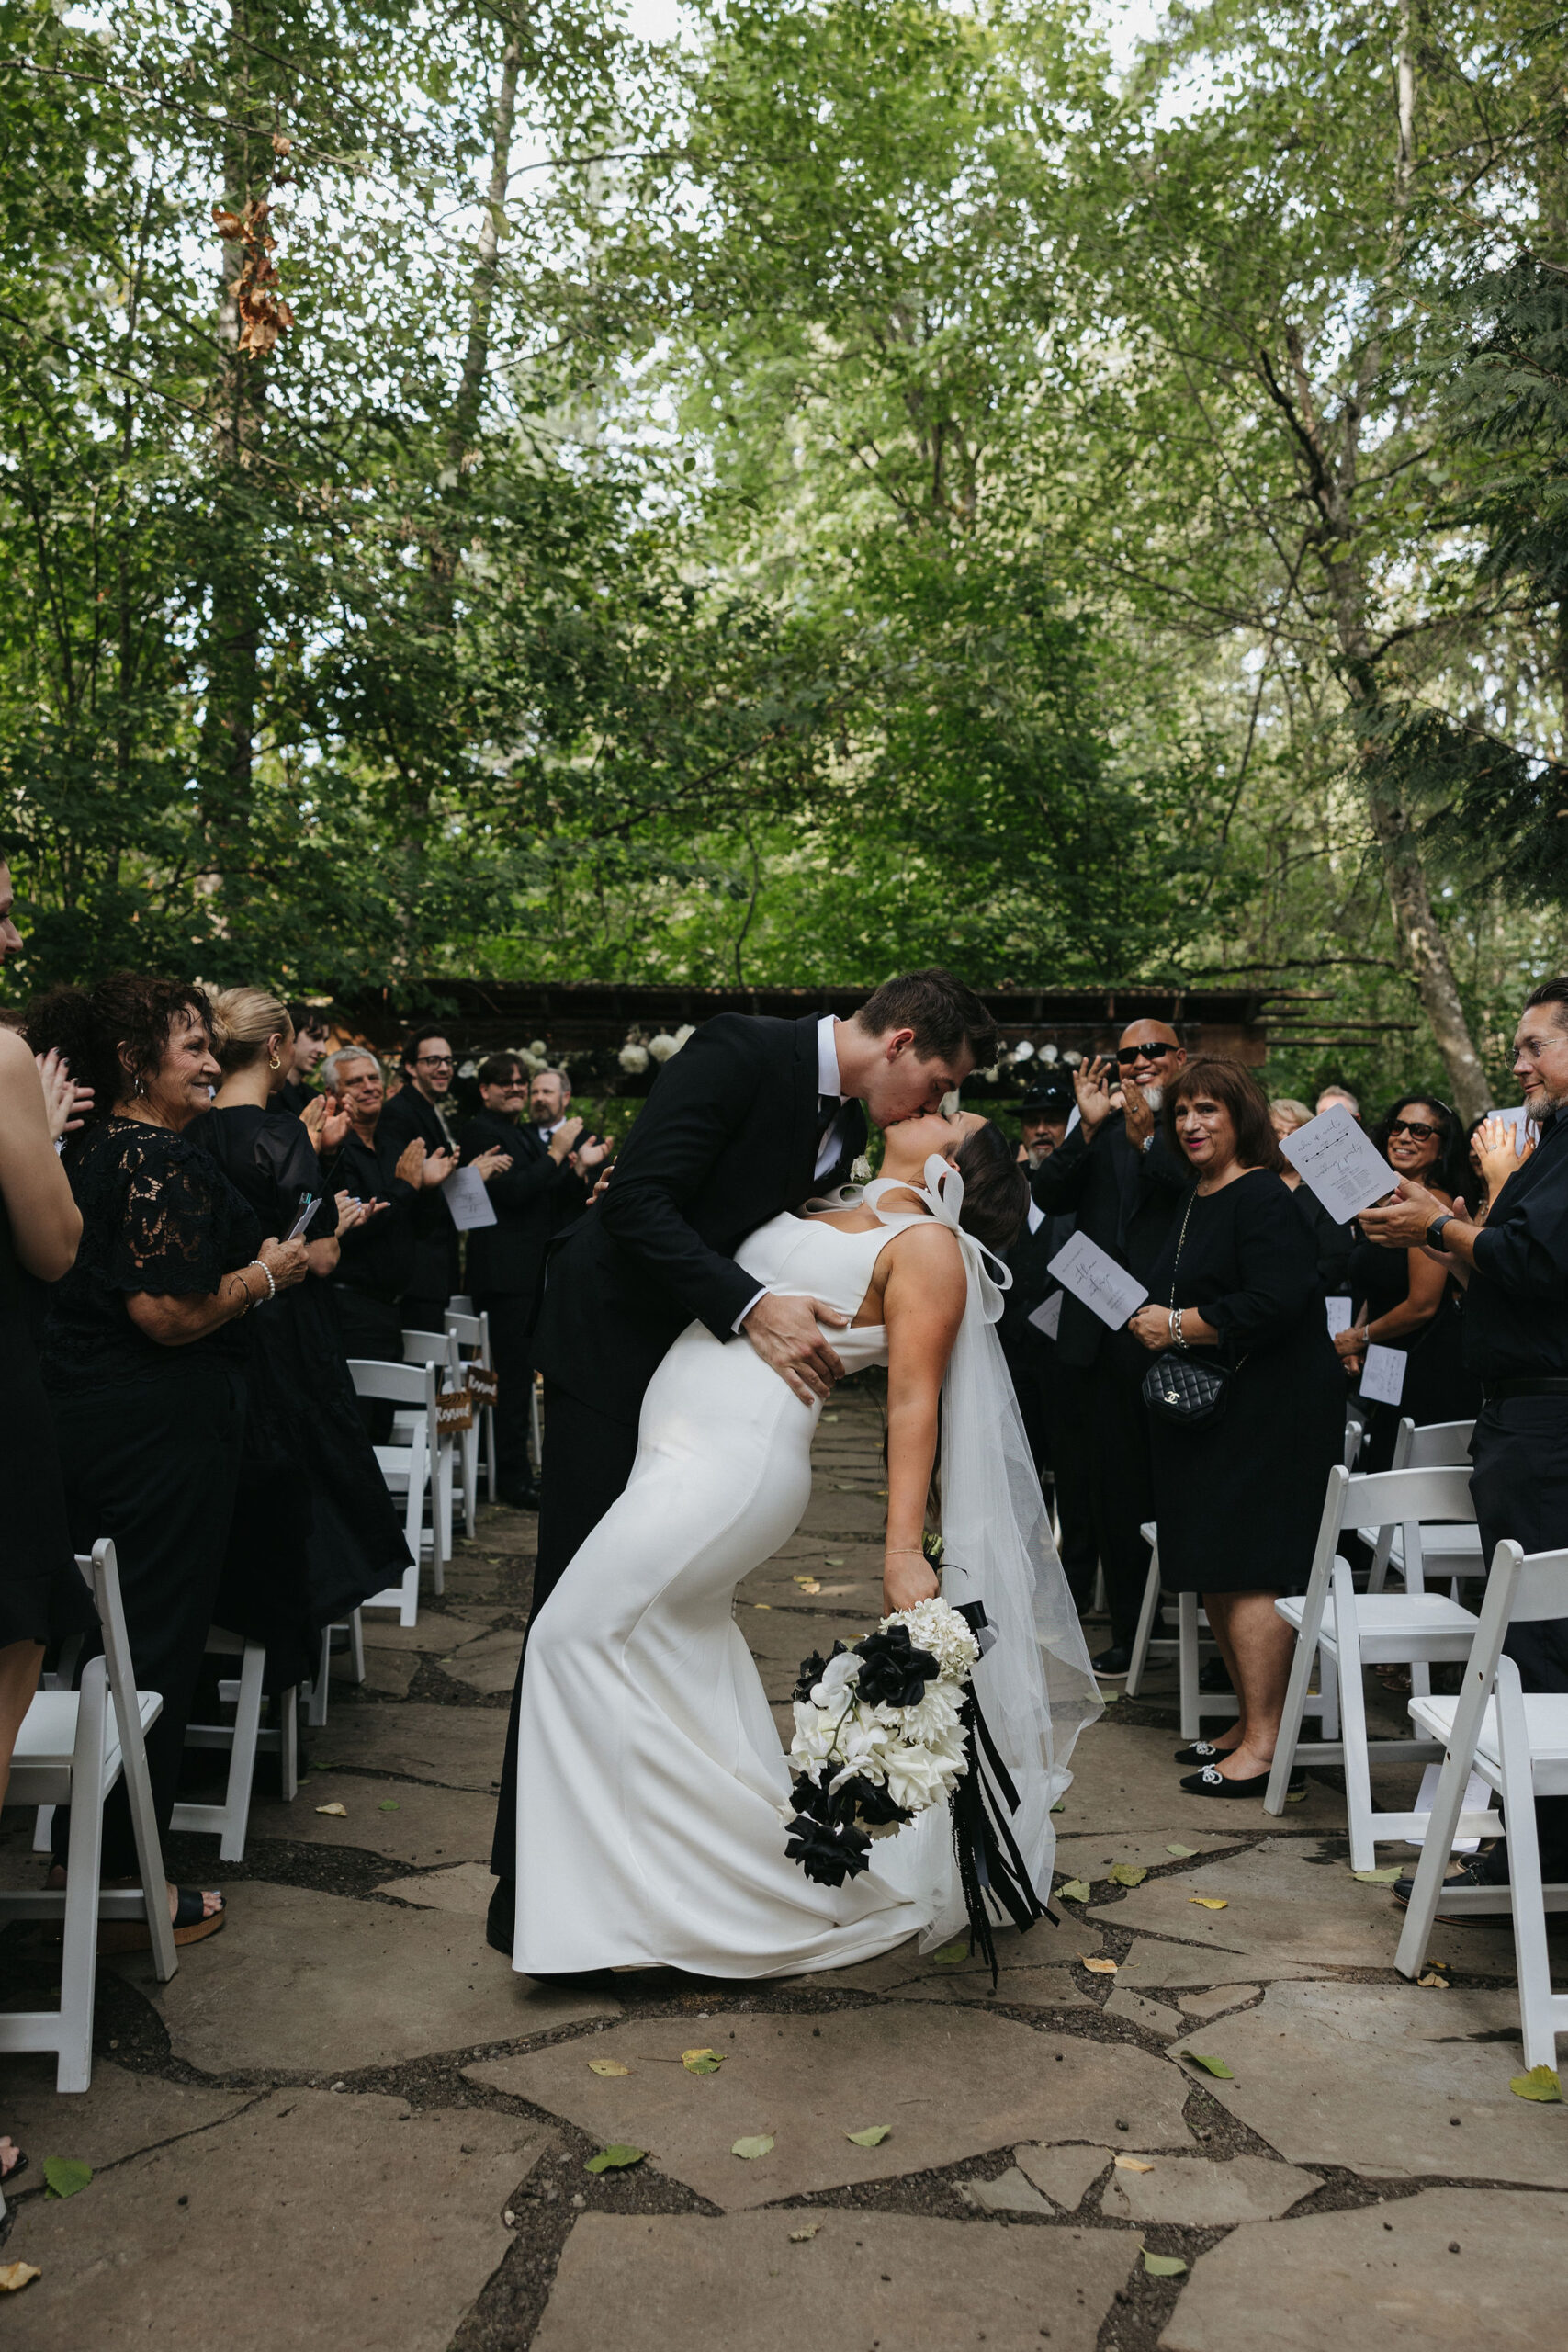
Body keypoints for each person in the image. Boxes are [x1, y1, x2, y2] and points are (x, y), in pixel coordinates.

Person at [512, 1107, 1100, 1976]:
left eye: (947, 1108)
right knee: (676, 1662)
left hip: (731, 1469)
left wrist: (903, 1549)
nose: (928, 1100)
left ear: (951, 1161)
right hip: (675, 1447)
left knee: (569, 1638)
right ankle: (675, 1891)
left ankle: (643, 1911)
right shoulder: (829, 1200)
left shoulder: (930, 1248)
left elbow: (914, 1402)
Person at [486, 967, 998, 1955]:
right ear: (898, 1043)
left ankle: (637, 1887)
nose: (938, 1106)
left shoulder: (845, 1131)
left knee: (634, 1634)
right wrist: (748, 1302)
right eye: (937, 1085)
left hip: (709, 1408)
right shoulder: (738, 1049)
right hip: (612, 1357)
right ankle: (540, 1888)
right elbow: (638, 1204)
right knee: (578, 1617)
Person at [28, 975, 310, 1944]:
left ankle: (78, 1855)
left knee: (96, 1641)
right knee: (148, 1643)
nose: (206, 1058)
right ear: (131, 1065)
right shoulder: (156, 1159)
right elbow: (168, 1311)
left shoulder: (76, 1147)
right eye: (188, 1044)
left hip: (78, 1421)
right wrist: (266, 1274)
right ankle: (102, 1881)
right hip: (156, 1437)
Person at [1360, 983, 1568, 1911]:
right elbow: (1511, 1272)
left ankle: (1543, 1861)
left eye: (1532, 1046)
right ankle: (1537, 1850)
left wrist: (1439, 1225)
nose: (1517, 1064)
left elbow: (1535, 1267)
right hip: (1523, 1418)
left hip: (1546, 1428)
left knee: (1539, 1645)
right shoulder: (1551, 1147)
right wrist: (1433, 1229)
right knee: (1535, 1639)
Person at [1127, 1058, 1342, 1794]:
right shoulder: (1198, 1195)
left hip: (1268, 1412)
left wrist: (1179, 1325)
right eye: (1181, 1111)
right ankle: (1246, 1722)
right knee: (1217, 1563)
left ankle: (1265, 1744)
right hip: (1210, 1414)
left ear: (1240, 1117)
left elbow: (1279, 1301)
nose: (1190, 1124)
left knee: (1250, 1567)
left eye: (1207, 1110)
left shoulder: (1259, 1195)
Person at [190, 991, 412, 1686]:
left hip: (205, 1330)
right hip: (283, 1337)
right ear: (280, 1048)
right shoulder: (281, 1135)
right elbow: (317, 1257)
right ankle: (289, 1651)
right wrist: (333, 1210)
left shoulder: (186, 1125)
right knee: (305, 1484)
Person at [1028, 1019, 1192, 1675]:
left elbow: (1184, 1197)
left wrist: (1147, 1135)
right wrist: (1085, 1129)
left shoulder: (1198, 1123)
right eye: (1126, 1055)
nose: (1138, 1063)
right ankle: (1130, 1630)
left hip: (1173, 1333)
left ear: (1179, 1058)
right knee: (1111, 1494)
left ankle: (1200, 1633)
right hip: (1096, 1339)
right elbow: (1046, 1193)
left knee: (1173, 1489)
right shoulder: (1095, 1132)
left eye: (1152, 1051)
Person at [458, 1056, 606, 1509]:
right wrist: (558, 1152)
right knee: (511, 1382)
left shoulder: (518, 1132)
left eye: (521, 1081)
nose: (517, 1088)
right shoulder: (482, 1132)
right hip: (504, 1278)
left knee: (519, 1379)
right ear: (484, 1089)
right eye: (506, 1082)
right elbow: (514, 1193)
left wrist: (579, 1168)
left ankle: (519, 1471)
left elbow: (543, 1191)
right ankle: (513, 1479)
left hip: (526, 1275)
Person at [1333, 1094, 1480, 1463]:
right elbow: (1380, 1283)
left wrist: (1360, 1336)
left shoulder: (1434, 1203)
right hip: (1388, 1360)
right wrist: (1360, 1341)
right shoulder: (1384, 1202)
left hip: (1427, 1367)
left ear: (1443, 1148)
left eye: (1419, 1131)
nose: (1402, 1137)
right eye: (1396, 1127)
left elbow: (1422, 1305)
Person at [1000, 1080, 1094, 1605]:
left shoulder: (1085, 1190)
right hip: (1012, 1360)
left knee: (1076, 1476)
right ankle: (1017, 1581)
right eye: (1033, 1120)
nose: (1042, 1129)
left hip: (1071, 1360)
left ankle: (1075, 1589)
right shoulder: (1005, 1186)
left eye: (1053, 1119)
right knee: (1017, 1473)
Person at [311, 1047, 432, 1433]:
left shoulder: (394, 1141)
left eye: (373, 1078)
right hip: (350, 1307)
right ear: (334, 1092)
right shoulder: (333, 1151)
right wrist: (406, 1188)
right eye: (355, 1081)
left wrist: (424, 1185)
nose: (368, 1087)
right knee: (357, 1427)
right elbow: (354, 1225)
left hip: (393, 1307)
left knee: (384, 1422)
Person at [378, 1030, 466, 1332]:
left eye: (448, 1060)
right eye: (433, 1060)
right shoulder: (398, 1113)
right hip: (418, 1267)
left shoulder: (428, 1108)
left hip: (436, 1265)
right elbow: (399, 1187)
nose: (444, 1068)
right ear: (411, 1067)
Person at [1273, 1096, 1355, 1295]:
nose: (1284, 1139)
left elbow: (1337, 1260)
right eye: (1277, 1132)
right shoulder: (1250, 1182)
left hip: (1306, 1298)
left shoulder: (1325, 1189)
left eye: (1293, 1133)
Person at [278, 1004, 331, 1117]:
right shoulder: (264, 1094)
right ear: (290, 1036)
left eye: (324, 1041)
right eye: (315, 1038)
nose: (323, 1050)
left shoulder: (315, 1099)